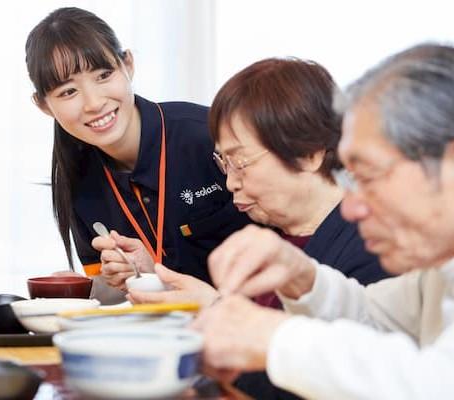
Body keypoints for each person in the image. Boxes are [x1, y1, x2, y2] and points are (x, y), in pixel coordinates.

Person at [193, 43, 454, 399]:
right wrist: (303, 276)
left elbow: (435, 384)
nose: (351, 207)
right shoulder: (438, 274)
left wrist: (275, 338)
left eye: (369, 175)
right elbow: (375, 320)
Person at [125, 58, 389, 399]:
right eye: (224, 163)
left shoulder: (374, 249)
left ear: (309, 153)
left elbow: (323, 381)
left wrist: (217, 312)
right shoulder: (270, 239)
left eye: (241, 162)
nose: (230, 181)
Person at [24, 7, 250, 299]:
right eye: (68, 92)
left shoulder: (208, 136)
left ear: (127, 65)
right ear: (43, 105)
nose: (93, 103)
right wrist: (88, 287)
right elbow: (114, 294)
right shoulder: (77, 179)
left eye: (103, 75)